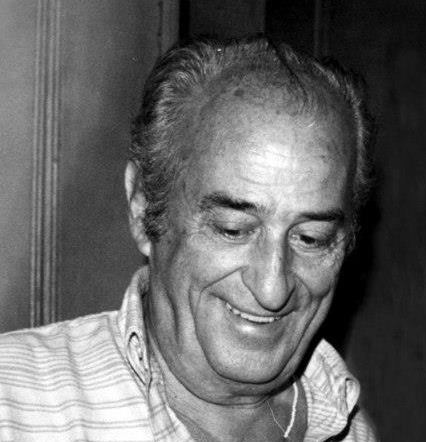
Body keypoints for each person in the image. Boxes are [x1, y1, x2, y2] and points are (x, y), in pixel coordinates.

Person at [0, 37, 377, 441]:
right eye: (233, 229)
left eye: (311, 238)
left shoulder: (349, 427)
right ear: (144, 208)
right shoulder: (14, 406)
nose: (273, 289)